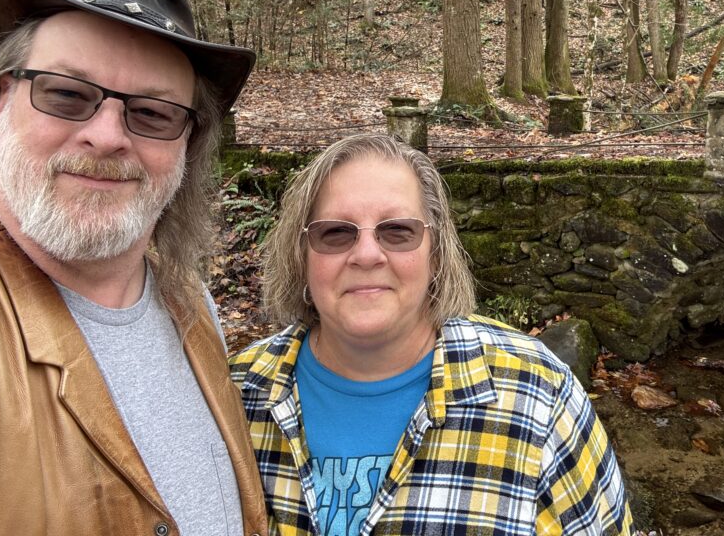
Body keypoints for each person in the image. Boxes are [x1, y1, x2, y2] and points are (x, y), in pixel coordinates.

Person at [0, 0, 268, 535]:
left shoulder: (190, 303)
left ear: (187, 143)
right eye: (67, 94)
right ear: (4, 97)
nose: (108, 136)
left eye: (153, 113)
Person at [230, 133, 634, 536]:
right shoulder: (234, 394)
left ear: (436, 253)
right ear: (302, 255)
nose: (367, 255)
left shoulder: (539, 395)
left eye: (397, 231)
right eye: (336, 232)